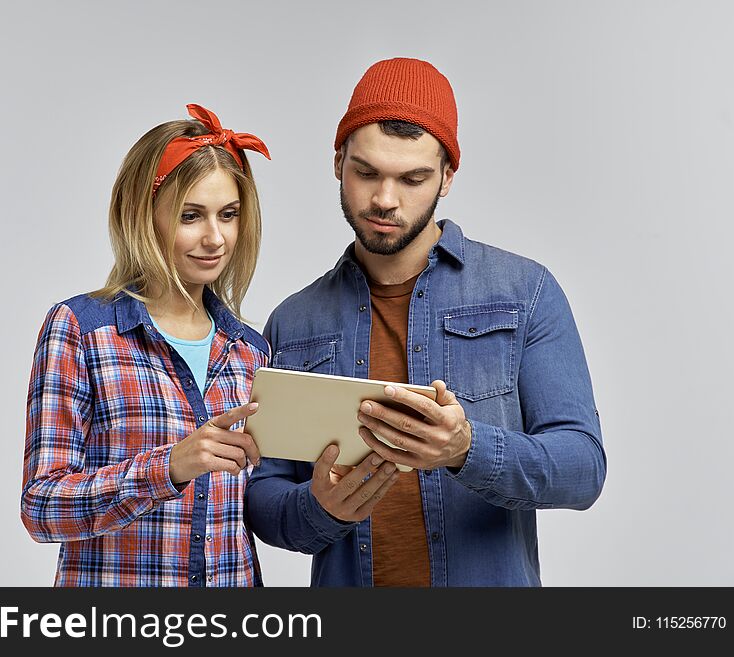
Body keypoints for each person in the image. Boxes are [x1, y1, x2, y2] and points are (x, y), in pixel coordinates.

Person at [245, 58, 606, 586]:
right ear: (338, 162)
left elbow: (583, 468)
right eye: (366, 172)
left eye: (412, 178)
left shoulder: (524, 291)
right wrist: (318, 508)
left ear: (447, 176)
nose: (384, 200)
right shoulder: (293, 321)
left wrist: (466, 449)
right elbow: (262, 499)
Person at [22, 104, 271, 586]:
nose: (214, 238)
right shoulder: (80, 329)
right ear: (144, 214)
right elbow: (41, 507)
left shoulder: (250, 353)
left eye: (229, 215)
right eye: (190, 215)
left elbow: (246, 522)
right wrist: (169, 467)